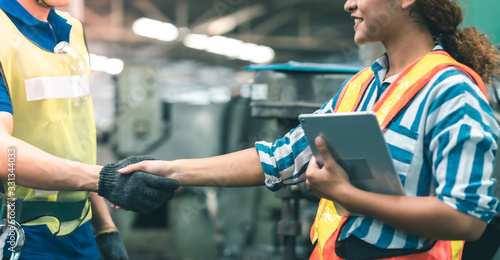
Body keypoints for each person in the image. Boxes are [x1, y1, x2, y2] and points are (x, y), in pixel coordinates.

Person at [117, 0, 500, 259]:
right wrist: (171, 170)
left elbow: (466, 218)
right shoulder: (362, 85)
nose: (348, 3)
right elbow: (283, 157)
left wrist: (347, 195)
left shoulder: (451, 90)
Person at [0, 0, 180, 259]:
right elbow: (4, 154)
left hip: (82, 229)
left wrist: (105, 228)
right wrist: (103, 179)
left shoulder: (72, 29)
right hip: (19, 234)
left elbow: (76, 143)